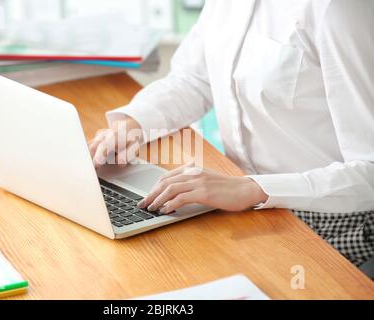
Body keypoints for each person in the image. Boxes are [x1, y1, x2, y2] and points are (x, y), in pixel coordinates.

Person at [89, 0, 374, 267]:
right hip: (243, 202)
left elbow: (370, 169)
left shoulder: (339, 9)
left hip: (328, 220)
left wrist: (252, 189)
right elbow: (195, 79)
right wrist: (133, 123)